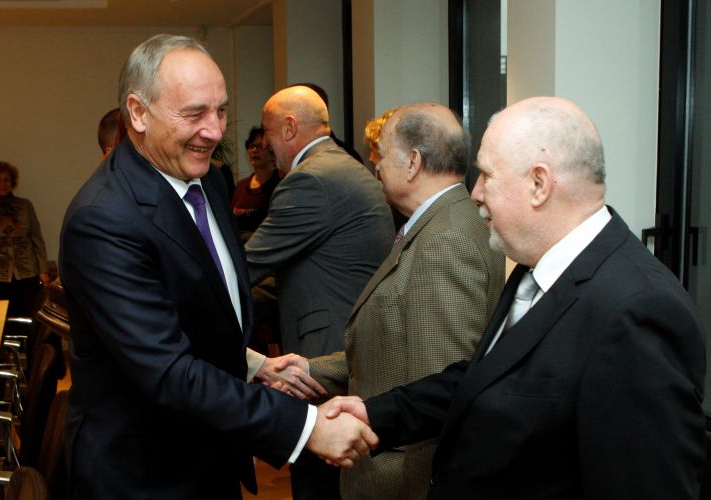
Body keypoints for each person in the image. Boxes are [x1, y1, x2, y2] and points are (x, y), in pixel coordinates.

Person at [324, 96, 707, 499]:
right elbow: (486, 380)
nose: (475, 193)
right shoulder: (535, 266)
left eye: (487, 175)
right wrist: (377, 414)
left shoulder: (638, 311)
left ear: (538, 184)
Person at [59, 34, 376, 499]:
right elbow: (167, 370)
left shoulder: (205, 180)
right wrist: (307, 427)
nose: (213, 131)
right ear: (138, 113)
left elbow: (195, 307)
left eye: (221, 111)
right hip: (145, 474)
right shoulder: (103, 219)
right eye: (194, 114)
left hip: (210, 453)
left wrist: (253, 364)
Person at [275, 102, 506, 499]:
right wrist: (311, 369)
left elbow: (438, 392)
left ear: (413, 162)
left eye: (381, 152)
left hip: (404, 480)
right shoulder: (441, 224)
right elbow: (393, 349)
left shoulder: (445, 241)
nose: (375, 163)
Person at [245, 84, 395, 499]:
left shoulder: (310, 180)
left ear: (289, 127)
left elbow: (248, 265)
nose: (266, 144)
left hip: (326, 354)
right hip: (350, 345)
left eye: (268, 132)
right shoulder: (344, 167)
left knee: (319, 483)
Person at [0, 160, 50, 316]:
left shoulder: (25, 206)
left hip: (28, 274)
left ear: (12, 182)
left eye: (6, 180)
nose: (2, 184)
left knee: (28, 318)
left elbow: (37, 239)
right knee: (2, 320)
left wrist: (43, 270)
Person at [232, 126, 280, 241]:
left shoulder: (281, 184)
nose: (254, 150)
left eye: (260, 146)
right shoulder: (241, 185)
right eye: (251, 146)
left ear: (272, 151)